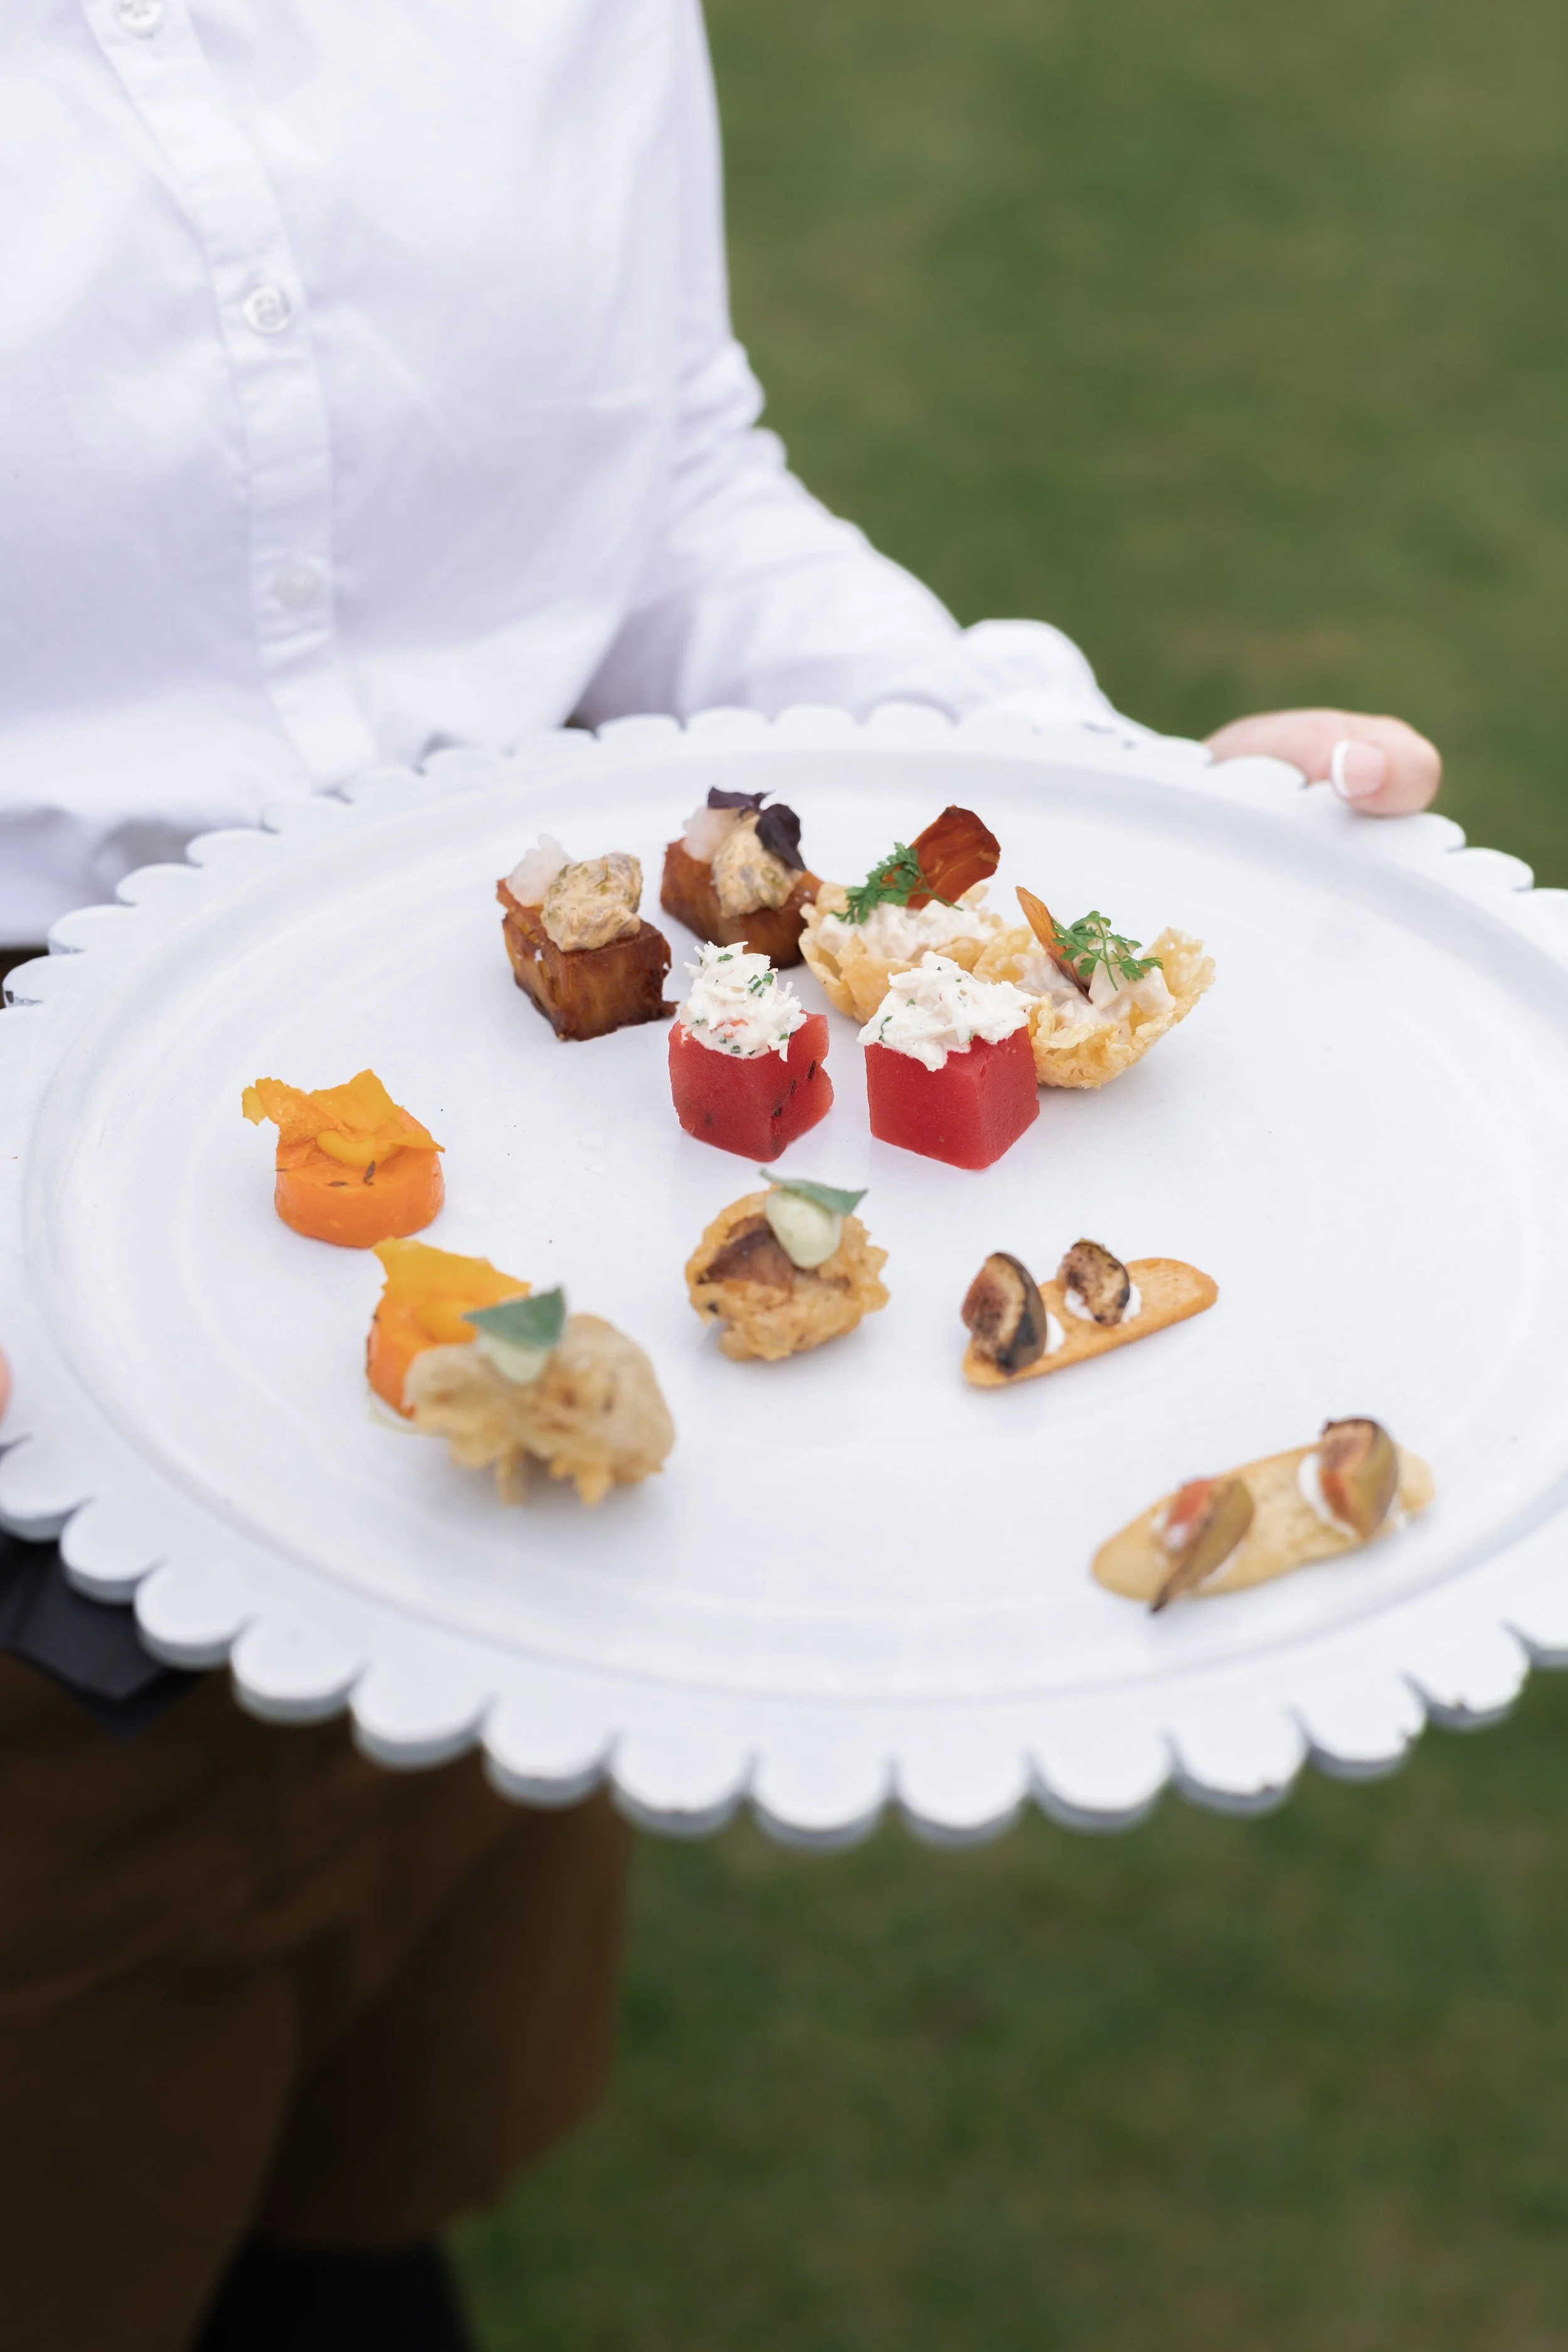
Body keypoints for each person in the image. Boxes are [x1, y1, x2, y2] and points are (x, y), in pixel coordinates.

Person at [0, 5, 1441, 2348]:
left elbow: (657, 485)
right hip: (37, 1372)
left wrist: (1071, 819)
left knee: (377, 2134)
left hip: (558, 1181)